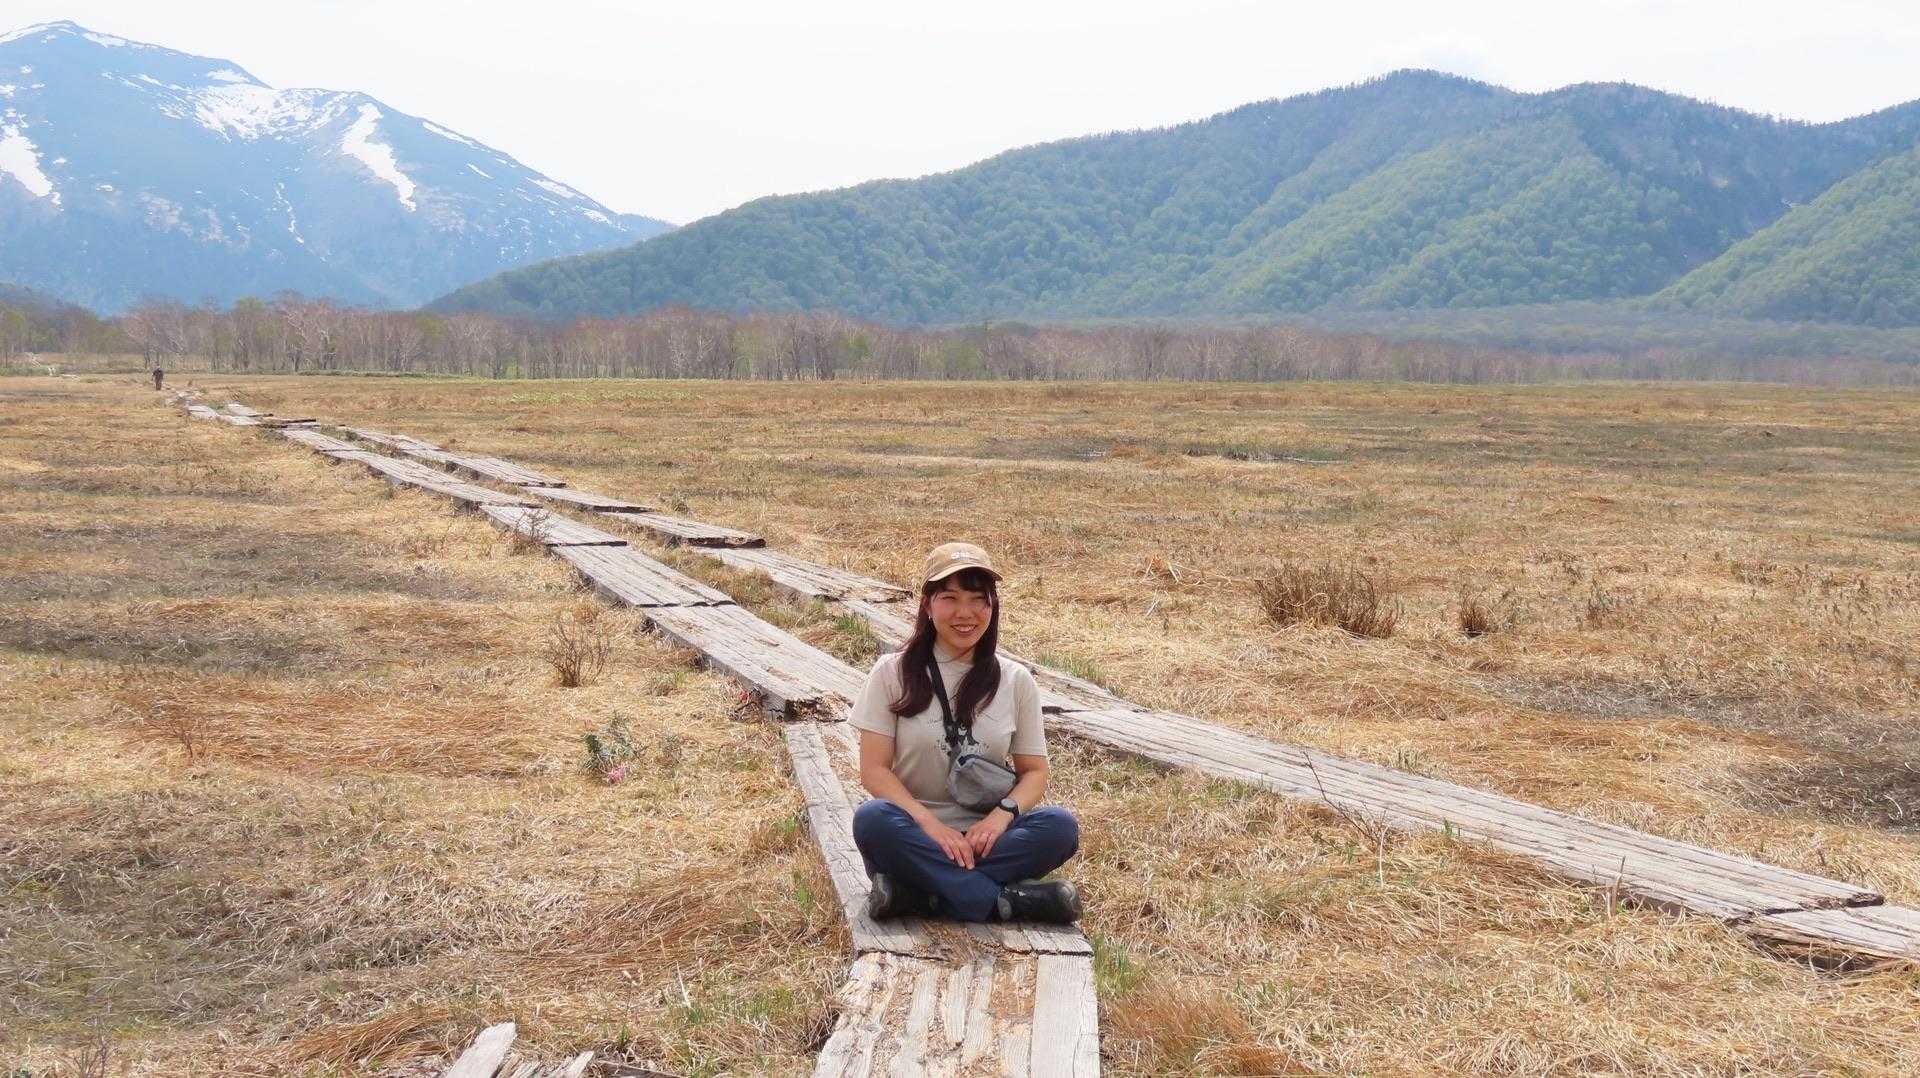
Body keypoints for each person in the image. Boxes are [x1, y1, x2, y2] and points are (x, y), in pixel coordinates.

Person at [849, 541, 1083, 924]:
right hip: (914, 835)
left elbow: (1035, 772)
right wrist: (930, 825)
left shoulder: (1015, 680)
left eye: (978, 599)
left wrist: (1000, 818)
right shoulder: (892, 673)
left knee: (1059, 827)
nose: (965, 613)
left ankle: (923, 895)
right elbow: (874, 771)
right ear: (927, 605)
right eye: (950, 598)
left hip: (987, 840)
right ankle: (1004, 901)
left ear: (993, 605)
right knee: (873, 819)